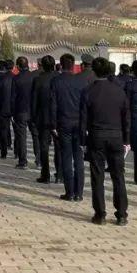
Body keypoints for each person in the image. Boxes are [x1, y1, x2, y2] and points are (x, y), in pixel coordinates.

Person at [84, 57, 129, 225]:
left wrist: (84, 140)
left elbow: (84, 119)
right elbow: (126, 118)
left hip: (96, 136)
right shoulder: (119, 91)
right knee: (118, 176)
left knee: (98, 176)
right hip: (117, 137)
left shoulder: (88, 91)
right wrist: (127, 139)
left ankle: (100, 214)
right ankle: (122, 214)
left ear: (94, 71)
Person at [51, 53, 86, 202]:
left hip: (63, 123)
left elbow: (53, 104)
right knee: (78, 158)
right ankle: (79, 192)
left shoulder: (56, 81)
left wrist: (53, 124)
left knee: (66, 156)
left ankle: (69, 192)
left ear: (61, 65)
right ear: (73, 66)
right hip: (79, 123)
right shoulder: (81, 81)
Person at [31, 55, 57, 183]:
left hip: (43, 118)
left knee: (44, 147)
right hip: (58, 118)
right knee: (59, 147)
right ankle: (60, 174)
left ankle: (45, 174)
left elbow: (34, 101)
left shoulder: (38, 80)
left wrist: (34, 117)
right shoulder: (59, 78)